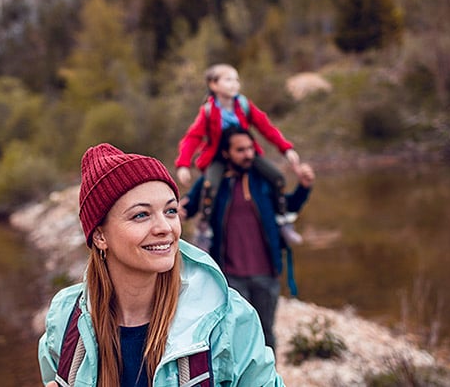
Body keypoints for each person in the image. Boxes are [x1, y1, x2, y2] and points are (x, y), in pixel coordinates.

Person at [37, 143, 284, 387]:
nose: (165, 228)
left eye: (170, 211)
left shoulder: (228, 318)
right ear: (100, 237)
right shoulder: (65, 320)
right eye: (141, 215)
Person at [180, 127, 315, 352]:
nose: (248, 154)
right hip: (230, 277)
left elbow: (289, 207)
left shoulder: (264, 181)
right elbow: (187, 207)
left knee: (266, 334)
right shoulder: (211, 184)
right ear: (226, 152)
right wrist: (173, 210)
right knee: (235, 337)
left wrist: (304, 187)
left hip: (266, 273)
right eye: (241, 150)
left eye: (251, 148)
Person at [174, 63, 304, 247]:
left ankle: (284, 220)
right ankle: (204, 229)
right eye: (228, 80)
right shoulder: (209, 111)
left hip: (245, 153)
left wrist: (286, 148)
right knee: (210, 186)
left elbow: (266, 128)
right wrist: (183, 164)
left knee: (277, 177)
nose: (234, 84)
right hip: (219, 156)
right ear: (213, 85)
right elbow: (193, 137)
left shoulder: (243, 105)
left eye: (236, 79)